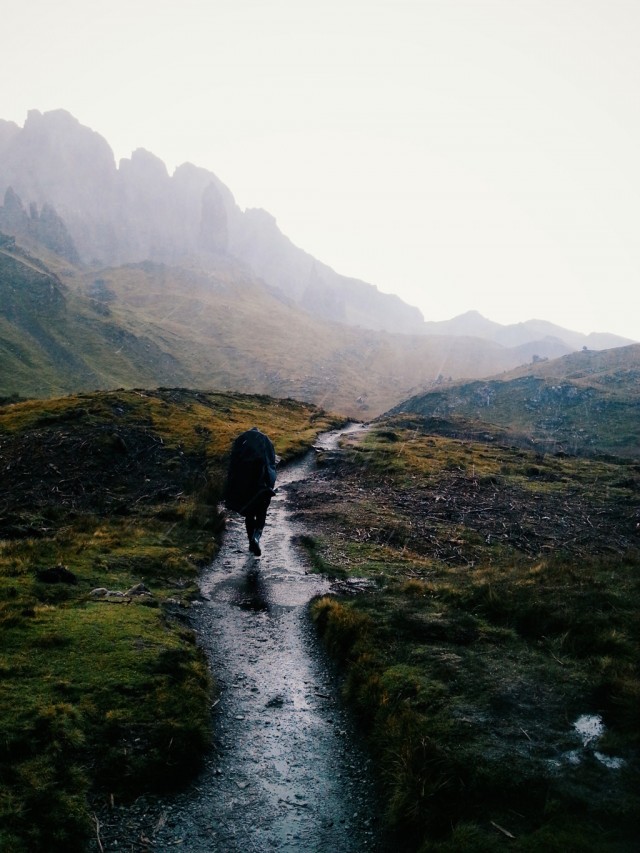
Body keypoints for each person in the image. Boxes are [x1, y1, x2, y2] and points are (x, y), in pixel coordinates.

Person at [224, 427, 277, 556]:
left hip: (246, 487)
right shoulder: (265, 442)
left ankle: (250, 542)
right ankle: (256, 538)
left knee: (249, 515)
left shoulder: (242, 444)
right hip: (262, 487)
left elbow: (233, 463)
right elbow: (271, 463)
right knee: (261, 514)